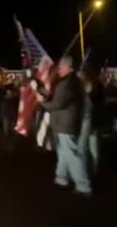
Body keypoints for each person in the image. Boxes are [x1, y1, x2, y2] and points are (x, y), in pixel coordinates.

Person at [37, 56, 91, 196]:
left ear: (68, 67)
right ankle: (61, 178)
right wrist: (41, 91)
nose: (58, 70)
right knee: (63, 153)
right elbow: (56, 99)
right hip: (64, 124)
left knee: (71, 154)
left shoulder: (68, 83)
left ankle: (83, 185)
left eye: (60, 67)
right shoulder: (69, 82)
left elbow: (57, 104)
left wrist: (42, 102)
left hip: (65, 124)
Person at [78, 68, 105, 178]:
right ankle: (93, 172)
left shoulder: (85, 87)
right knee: (93, 148)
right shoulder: (98, 85)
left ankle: (84, 176)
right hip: (95, 121)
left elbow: (87, 105)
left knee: (83, 148)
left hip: (87, 120)